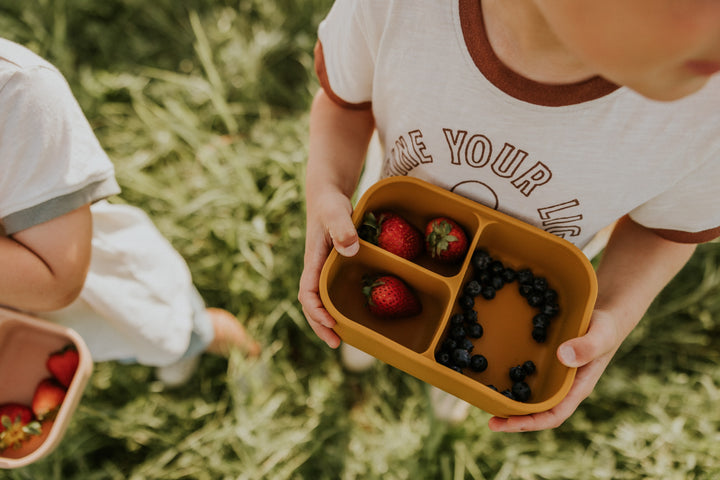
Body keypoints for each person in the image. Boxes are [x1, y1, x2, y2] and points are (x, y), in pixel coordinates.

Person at [298, 0, 720, 432]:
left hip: (509, 321)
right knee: (359, 321)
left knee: (466, 364)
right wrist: (326, 187)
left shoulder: (707, 116)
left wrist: (613, 313)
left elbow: (668, 230)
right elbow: (344, 103)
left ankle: (448, 398)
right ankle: (359, 351)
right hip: (374, 254)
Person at [0, 37, 260, 386]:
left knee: (181, 331)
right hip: (40, 324)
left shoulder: (16, 91)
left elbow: (56, 283)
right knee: (120, 345)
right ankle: (169, 353)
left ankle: (245, 356)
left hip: (105, 287)